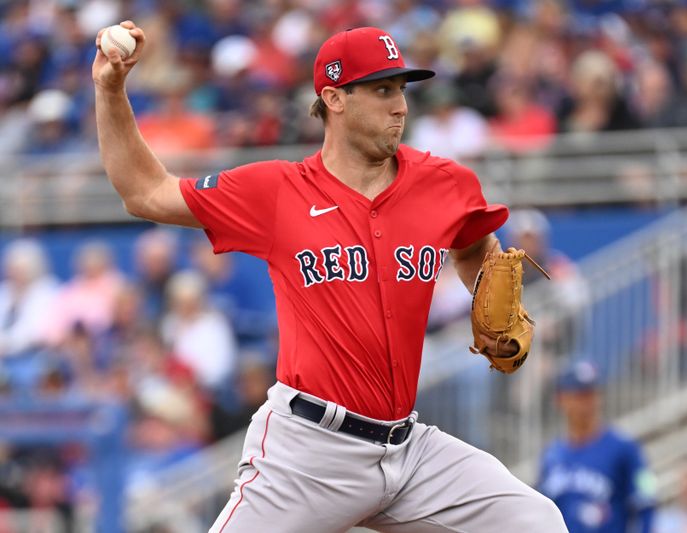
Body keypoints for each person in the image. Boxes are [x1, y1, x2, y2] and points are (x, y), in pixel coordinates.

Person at [93, 21, 566, 532]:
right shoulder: (276, 191)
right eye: (382, 89)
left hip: (408, 450)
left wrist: (486, 292)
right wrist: (111, 90)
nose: (400, 105)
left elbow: (477, 242)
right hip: (308, 452)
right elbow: (145, 192)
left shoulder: (444, 182)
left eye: (402, 89)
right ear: (334, 98)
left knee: (534, 521)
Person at [538, 360, 656, 533]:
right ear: (560, 399)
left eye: (592, 394)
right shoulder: (551, 456)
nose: (588, 403)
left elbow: (647, 499)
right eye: (579, 395)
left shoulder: (625, 448)